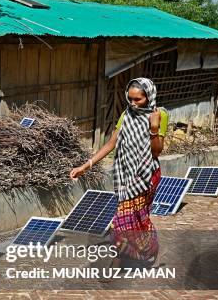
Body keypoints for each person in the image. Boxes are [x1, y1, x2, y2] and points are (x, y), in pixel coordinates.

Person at [70, 77, 167, 267]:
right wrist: (85, 166)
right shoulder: (126, 115)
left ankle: (137, 252)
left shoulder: (159, 115)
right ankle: (125, 256)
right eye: (130, 99)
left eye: (138, 99)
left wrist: (154, 128)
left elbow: (156, 151)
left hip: (147, 176)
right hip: (126, 175)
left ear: (149, 96)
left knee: (136, 218)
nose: (133, 103)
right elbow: (111, 144)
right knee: (124, 220)